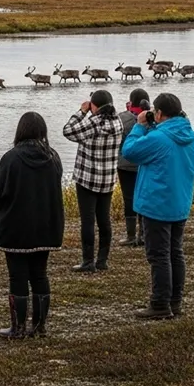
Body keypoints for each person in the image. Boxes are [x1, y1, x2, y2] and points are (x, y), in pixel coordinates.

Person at [123, 93, 194, 319]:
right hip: (179, 202)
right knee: (176, 253)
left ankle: (159, 304)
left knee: (159, 256)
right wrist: (153, 127)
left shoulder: (158, 138)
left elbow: (129, 152)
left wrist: (139, 126)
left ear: (159, 113)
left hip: (156, 204)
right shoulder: (191, 135)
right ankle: (175, 302)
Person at [0, 113, 64, 339]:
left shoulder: (10, 158)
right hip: (46, 227)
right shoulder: (53, 157)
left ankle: (18, 328)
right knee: (40, 274)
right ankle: (39, 327)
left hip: (15, 228)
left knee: (18, 277)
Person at [62, 90, 125, 272]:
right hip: (107, 179)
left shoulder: (93, 122)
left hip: (87, 178)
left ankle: (88, 261)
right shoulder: (118, 122)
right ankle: (102, 260)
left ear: (94, 106)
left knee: (88, 221)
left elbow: (68, 131)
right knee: (104, 220)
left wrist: (81, 112)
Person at [117, 89, 151, 247]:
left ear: (130, 102)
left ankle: (131, 235)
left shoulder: (123, 118)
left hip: (125, 164)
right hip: (144, 163)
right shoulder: (152, 118)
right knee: (144, 197)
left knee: (129, 198)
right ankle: (143, 234)